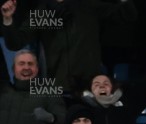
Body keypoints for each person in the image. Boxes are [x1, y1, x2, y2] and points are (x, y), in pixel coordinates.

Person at [1, 0, 138, 94]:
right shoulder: (42, 13)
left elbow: (126, 15)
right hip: (58, 91)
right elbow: (15, 44)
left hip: (89, 88)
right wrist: (8, 19)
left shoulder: (88, 6)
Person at [0, 50, 66, 124]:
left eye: (30, 64)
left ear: (37, 69)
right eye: (21, 64)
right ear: (13, 68)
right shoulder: (3, 91)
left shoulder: (49, 93)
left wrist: (52, 119)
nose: (26, 67)